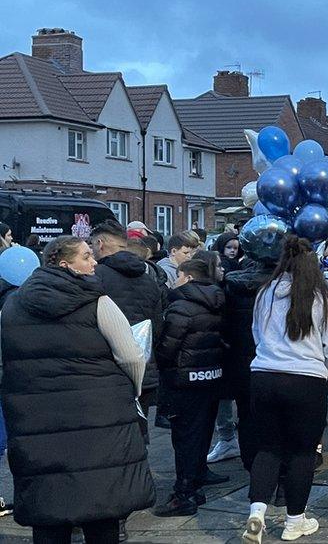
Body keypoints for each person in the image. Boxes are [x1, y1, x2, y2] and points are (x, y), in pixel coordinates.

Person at [0, 236, 155, 543]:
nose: (94, 261)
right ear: (64, 264)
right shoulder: (97, 301)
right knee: (102, 505)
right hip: (99, 415)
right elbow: (131, 355)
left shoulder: (12, 305)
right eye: (86, 257)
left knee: (48, 506)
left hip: (36, 418)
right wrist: (133, 390)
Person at [242, 237, 328, 544]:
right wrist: (325, 369)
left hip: (264, 375)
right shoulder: (324, 299)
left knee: (268, 448)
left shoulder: (265, 294)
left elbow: (257, 334)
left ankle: (257, 513)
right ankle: (294, 520)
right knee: (302, 452)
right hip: (306, 379)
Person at [154, 259, 226, 517]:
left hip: (184, 380)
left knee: (184, 438)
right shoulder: (218, 301)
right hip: (210, 376)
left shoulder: (180, 307)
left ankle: (183, 494)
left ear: (186, 277)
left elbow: (167, 347)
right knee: (202, 433)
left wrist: (160, 361)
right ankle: (195, 484)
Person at [91, 220, 167, 440]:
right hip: (143, 368)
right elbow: (158, 326)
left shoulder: (96, 277)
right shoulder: (148, 278)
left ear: (100, 243)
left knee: (110, 437)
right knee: (138, 434)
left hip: (106, 368)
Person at [212, 247, 278, 469]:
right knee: (272, 416)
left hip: (240, 361)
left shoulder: (232, 287)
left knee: (246, 413)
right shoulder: (279, 287)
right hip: (272, 362)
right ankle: (270, 463)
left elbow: (223, 324)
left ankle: (250, 461)